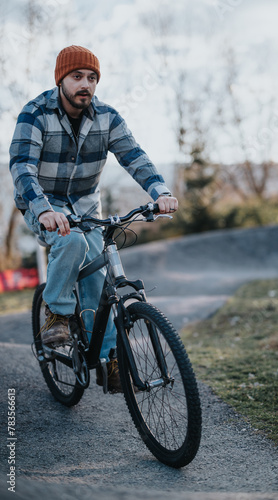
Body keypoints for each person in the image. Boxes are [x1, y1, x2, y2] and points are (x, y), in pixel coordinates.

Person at [9, 45, 178, 393]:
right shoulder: (35, 114)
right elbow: (22, 168)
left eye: (92, 77)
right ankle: (56, 313)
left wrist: (159, 192)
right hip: (43, 202)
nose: (85, 84)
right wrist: (44, 209)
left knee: (99, 273)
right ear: (61, 80)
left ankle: (109, 355)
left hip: (86, 207)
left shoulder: (108, 117)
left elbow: (134, 156)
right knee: (70, 242)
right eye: (77, 77)